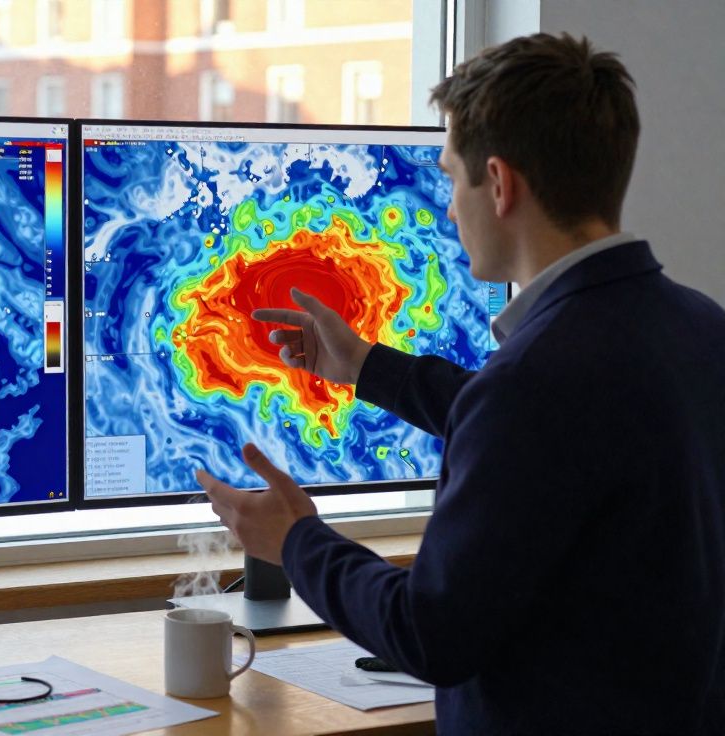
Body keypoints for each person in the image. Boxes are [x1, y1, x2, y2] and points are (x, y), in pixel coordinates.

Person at [196, 33, 725, 734]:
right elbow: (560, 445)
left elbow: (430, 633)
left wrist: (296, 542)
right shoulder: (699, 329)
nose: (449, 206)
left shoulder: (537, 383)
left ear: (500, 185)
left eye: (450, 177)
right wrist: (363, 367)